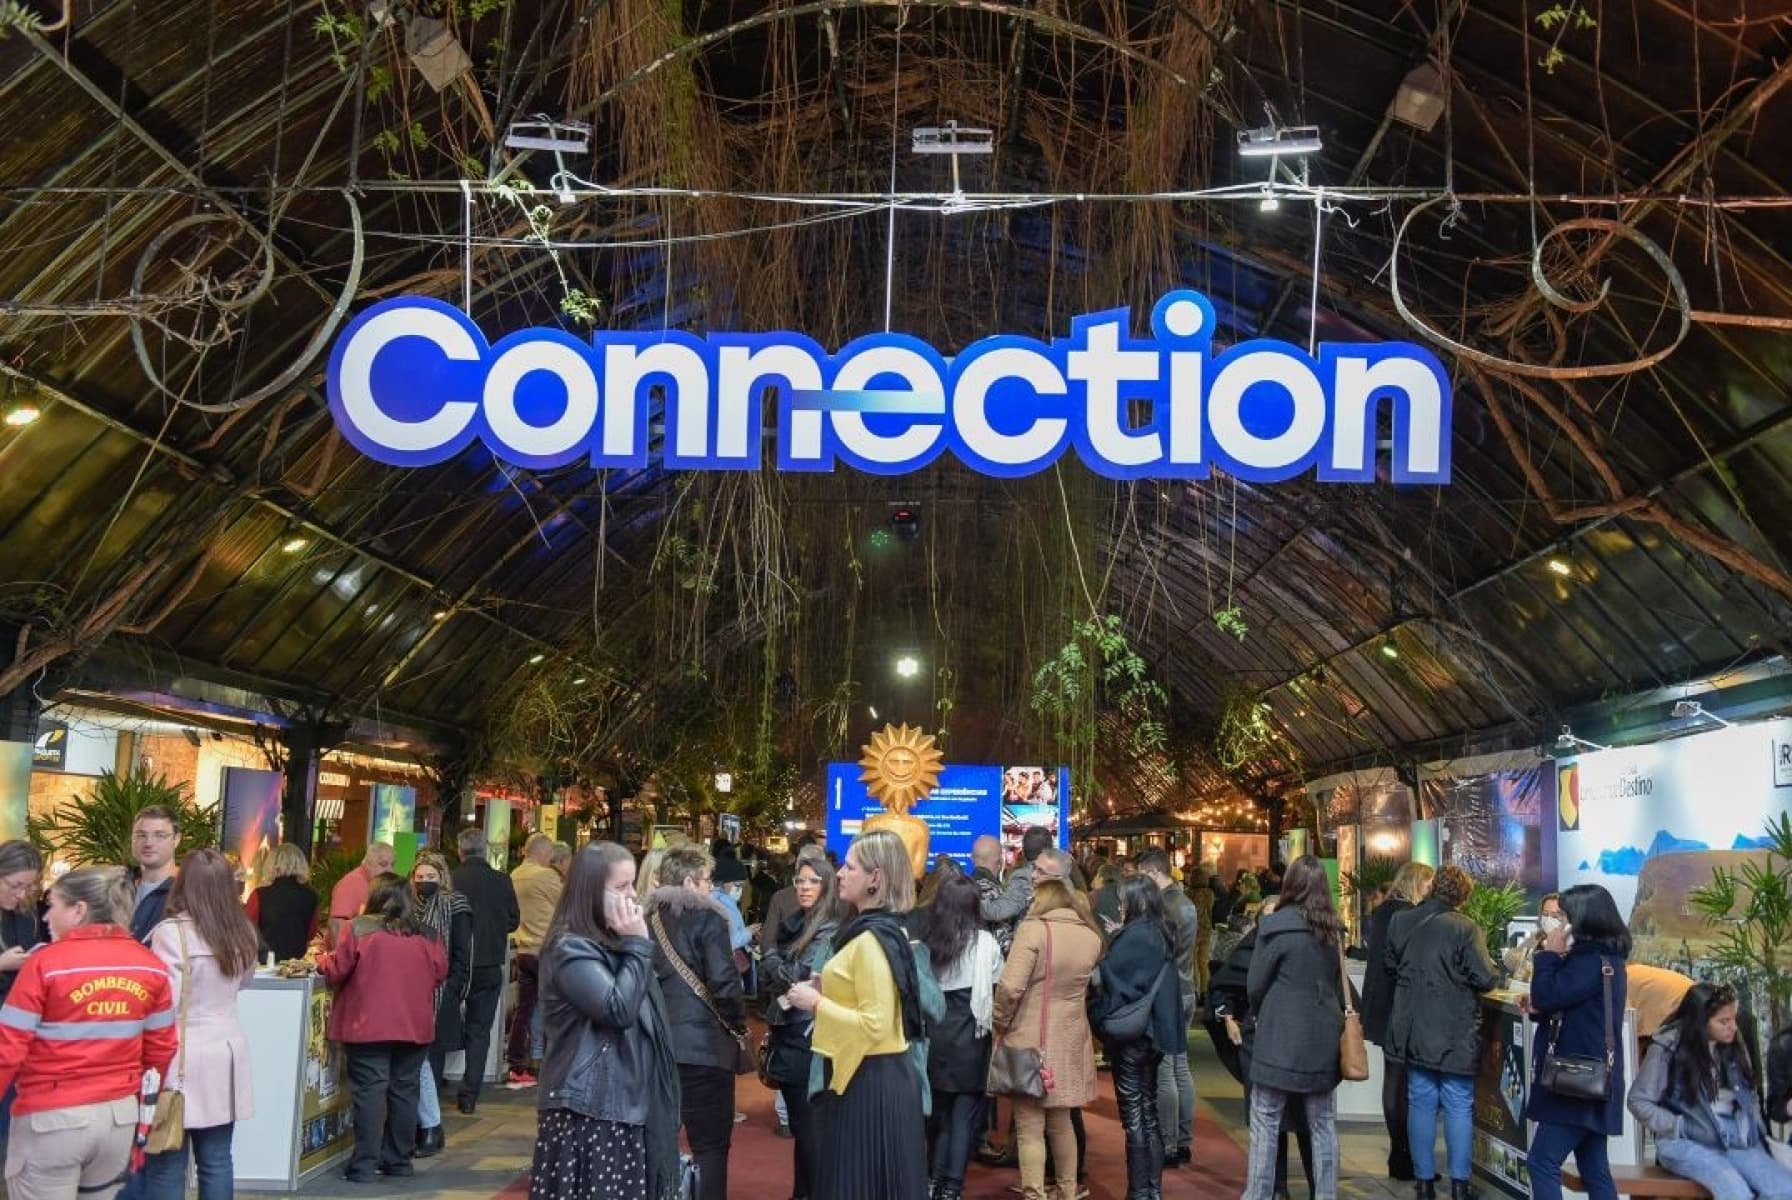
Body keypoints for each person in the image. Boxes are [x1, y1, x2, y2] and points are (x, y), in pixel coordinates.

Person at [0, 866, 176, 1200]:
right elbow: (161, 1050)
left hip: (52, 1119)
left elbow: (7, 1049)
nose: (46, 916)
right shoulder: (150, 966)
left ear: (79, 910)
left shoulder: (44, 964)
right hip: (118, 1119)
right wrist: (142, 1117)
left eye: (53, 905)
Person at [529, 843, 684, 1200]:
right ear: (590, 891)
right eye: (621, 886)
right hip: (589, 1109)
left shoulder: (610, 942)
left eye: (633, 884)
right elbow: (618, 1009)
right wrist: (638, 944)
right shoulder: (570, 947)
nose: (632, 895)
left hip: (621, 1104)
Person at [785, 830, 930, 1200]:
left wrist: (815, 1003)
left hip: (870, 1082)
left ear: (875, 877)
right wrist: (829, 991)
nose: (840, 873)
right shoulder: (878, 931)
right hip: (870, 1078)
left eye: (850, 867)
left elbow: (875, 1024)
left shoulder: (871, 940)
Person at [141, 848, 260, 1200]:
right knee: (217, 1159)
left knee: (166, 1159)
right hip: (226, 1049)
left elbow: (164, 1000)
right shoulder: (243, 932)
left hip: (178, 1054)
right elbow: (244, 982)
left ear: (183, 884)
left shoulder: (169, 933)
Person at [319, 873, 448, 1182]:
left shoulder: (359, 928)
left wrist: (322, 960)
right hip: (414, 1025)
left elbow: (337, 969)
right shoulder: (429, 934)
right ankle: (399, 1161)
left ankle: (364, 1165)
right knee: (405, 1091)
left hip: (368, 1026)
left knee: (370, 1093)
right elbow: (440, 972)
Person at [1383, 865, 1500, 1200]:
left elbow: (1390, 966)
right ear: (1463, 895)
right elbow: (1485, 978)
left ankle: (1424, 1184)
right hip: (1455, 1029)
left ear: (1433, 887)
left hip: (1413, 1026)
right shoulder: (1465, 927)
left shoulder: (1401, 921)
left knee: (1420, 1100)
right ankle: (1459, 1185)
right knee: (1458, 1103)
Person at [992, 877, 1103, 1200]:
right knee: (1062, 1121)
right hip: (1070, 1037)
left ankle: (1034, 1193)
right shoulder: (1090, 936)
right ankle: (1068, 1190)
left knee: (1029, 1127)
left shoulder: (1033, 930)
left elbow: (1010, 987)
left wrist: (999, 1021)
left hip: (1030, 1035)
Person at [1627, 982, 1792, 1200]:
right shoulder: (1667, 1047)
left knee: (1784, 1189)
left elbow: (1750, 1096)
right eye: (1724, 1021)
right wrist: (1676, 1125)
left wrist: (1756, 1135)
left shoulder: (1733, 1044)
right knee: (1735, 1192)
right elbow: (1638, 1101)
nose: (1733, 1027)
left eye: (1733, 1019)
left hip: (1737, 1139)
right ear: (1700, 1022)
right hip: (1686, 1141)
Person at [1241, 855, 1345, 1200]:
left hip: (1279, 1036)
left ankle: (1258, 1194)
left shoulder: (1275, 927)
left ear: (1289, 884)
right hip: (1322, 1036)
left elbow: (1255, 985)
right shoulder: (1333, 931)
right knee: (1322, 1123)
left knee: (1266, 1120)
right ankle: (1326, 1194)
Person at [645, 844, 743, 1200]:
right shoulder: (709, 919)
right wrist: (737, 1024)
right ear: (689, 882)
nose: (711, 887)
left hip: (656, 1045)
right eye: (706, 880)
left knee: (657, 1138)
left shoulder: (647, 920)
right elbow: (724, 982)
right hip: (705, 1048)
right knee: (710, 1144)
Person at [1523, 883, 1631, 1200]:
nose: (1558, 923)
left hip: (1575, 1080)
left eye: (1563, 916)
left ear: (1581, 919)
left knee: (1542, 1162)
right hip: (1591, 1078)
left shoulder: (1587, 961)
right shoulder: (1608, 958)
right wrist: (1539, 1008)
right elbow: (1565, 1004)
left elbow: (1547, 994)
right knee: (1594, 1168)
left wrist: (1548, 955)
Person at [1209, 897, 1312, 1200]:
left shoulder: (1304, 946)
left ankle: (1316, 1187)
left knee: (1307, 1121)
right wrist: (1227, 1017)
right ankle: (1276, 1188)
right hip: (1261, 1043)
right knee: (1270, 1122)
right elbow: (1224, 987)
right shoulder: (1253, 947)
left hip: (1301, 1045)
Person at [760, 852, 847, 1200]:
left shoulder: (830, 925)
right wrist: (775, 967)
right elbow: (779, 978)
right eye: (800, 880)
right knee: (803, 1126)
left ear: (828, 885)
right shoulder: (801, 921)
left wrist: (771, 960)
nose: (804, 887)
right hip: (793, 1028)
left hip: (810, 1032)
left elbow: (799, 977)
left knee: (809, 1127)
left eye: (813, 881)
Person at [1090, 874, 1182, 1200]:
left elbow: (1113, 980)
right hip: (1154, 1032)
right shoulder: (1161, 930)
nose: (1119, 905)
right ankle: (1151, 1190)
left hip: (1133, 1035)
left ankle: (1140, 1191)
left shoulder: (1137, 935)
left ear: (1135, 901)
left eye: (1123, 899)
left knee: (1134, 1117)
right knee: (1148, 1111)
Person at [923, 873, 1003, 1200]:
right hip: (972, 1035)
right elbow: (997, 988)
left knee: (938, 1116)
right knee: (963, 1119)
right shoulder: (986, 943)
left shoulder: (929, 942)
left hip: (935, 1036)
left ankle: (932, 1180)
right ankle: (952, 1188)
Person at [1361, 861, 1434, 1182]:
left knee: (1393, 1078)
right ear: (1417, 883)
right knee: (1406, 1082)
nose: (1430, 890)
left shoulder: (1382, 913)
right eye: (1428, 884)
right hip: (1402, 1005)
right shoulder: (1410, 916)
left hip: (1380, 1005)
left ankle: (1399, 1153)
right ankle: (1404, 1155)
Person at [1136, 848, 1197, 1168]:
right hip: (1186, 989)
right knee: (1180, 1067)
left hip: (1168, 995)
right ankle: (1182, 1140)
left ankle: (1169, 1144)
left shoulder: (1164, 907)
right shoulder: (1185, 903)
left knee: (1165, 1070)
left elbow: (1158, 954)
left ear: (1153, 873)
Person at [451, 828, 519, 1114]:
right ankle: (469, 1094)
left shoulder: (451, 879)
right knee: (480, 1031)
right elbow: (513, 921)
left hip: (456, 965)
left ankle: (433, 1085)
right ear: (485, 850)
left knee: (442, 1024)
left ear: (460, 851)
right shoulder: (502, 880)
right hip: (490, 964)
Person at [411, 852, 472, 1157]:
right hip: (413, 992)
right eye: (419, 877)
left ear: (442, 877)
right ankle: (423, 1126)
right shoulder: (407, 906)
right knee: (418, 1062)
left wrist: (453, 989)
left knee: (430, 1062)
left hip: (442, 992)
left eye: (430, 877)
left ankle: (428, 1129)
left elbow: (462, 952)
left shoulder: (455, 904)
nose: (424, 882)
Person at [508, 833, 565, 1088]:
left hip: (523, 950)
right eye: (549, 854)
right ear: (542, 852)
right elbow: (567, 905)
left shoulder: (514, 875)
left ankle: (517, 1063)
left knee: (524, 1009)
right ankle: (545, 1061)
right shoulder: (546, 876)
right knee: (553, 1006)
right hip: (546, 950)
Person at [0, 840, 45, 1153]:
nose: (21, 895)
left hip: (18, 1031)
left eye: (29, 888)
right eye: (15, 885)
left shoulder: (28, 915)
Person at [980, 827, 1052, 950]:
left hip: (1033, 946)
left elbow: (997, 911)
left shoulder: (1024, 877)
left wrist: (969, 897)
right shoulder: (1062, 873)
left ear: (1023, 850)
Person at [245, 843, 318, 962]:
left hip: (264, 961)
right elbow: (311, 933)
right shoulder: (311, 895)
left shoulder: (259, 894)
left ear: (271, 864)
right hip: (296, 963)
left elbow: (247, 930)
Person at [328, 842, 395, 949]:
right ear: (367, 863)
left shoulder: (374, 884)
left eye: (392, 865)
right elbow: (336, 924)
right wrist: (341, 958)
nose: (390, 870)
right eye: (383, 864)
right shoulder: (352, 882)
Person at [129, 806, 181, 942]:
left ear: (176, 839)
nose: (148, 843)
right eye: (141, 835)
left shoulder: (186, 891)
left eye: (159, 835)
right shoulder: (118, 886)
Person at [1504, 893, 1564, 983]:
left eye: (1554, 915)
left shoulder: (1571, 942)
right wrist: (1528, 962)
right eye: (1545, 914)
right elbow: (1508, 958)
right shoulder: (1537, 936)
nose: (1548, 919)